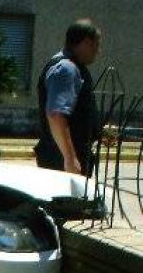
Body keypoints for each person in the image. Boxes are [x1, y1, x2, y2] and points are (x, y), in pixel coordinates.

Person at [35, 19, 101, 175]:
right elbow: (56, 115)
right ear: (85, 43)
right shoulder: (67, 68)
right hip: (61, 163)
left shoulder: (73, 67)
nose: (98, 51)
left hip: (65, 159)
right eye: (96, 45)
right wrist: (70, 159)